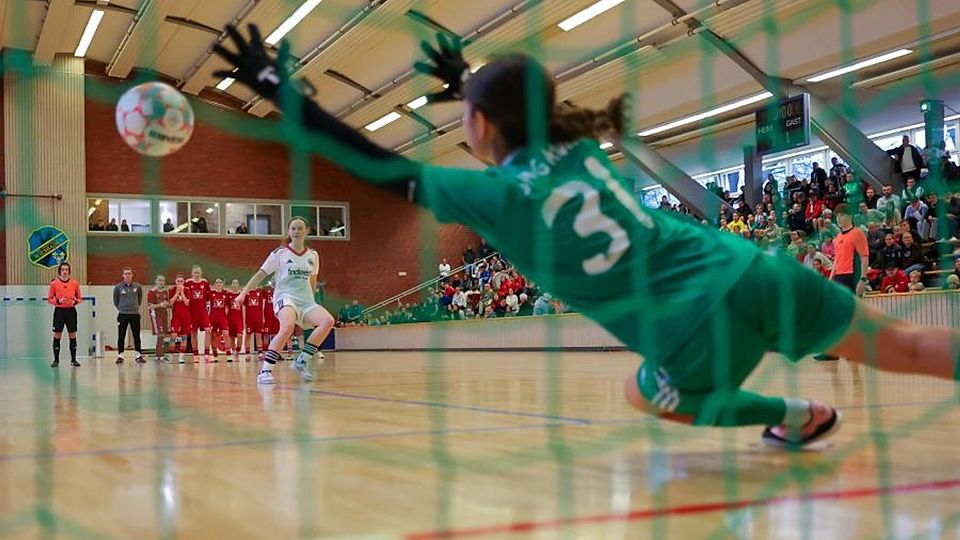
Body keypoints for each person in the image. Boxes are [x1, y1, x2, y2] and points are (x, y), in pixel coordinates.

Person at [215, 26, 960, 448]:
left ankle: (796, 416)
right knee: (915, 350)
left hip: (688, 329)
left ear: (475, 126)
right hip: (749, 266)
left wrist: (279, 89)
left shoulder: (490, 195)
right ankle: (805, 417)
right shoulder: (575, 144)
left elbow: (373, 163)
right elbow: (523, 107)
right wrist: (472, 79)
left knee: (649, 396)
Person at [234, 217, 335, 384]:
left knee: (327, 321)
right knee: (287, 326)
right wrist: (243, 293)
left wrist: (312, 303)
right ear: (289, 231)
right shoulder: (280, 253)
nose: (296, 231)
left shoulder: (313, 255)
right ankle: (265, 370)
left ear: (307, 231)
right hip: (285, 297)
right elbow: (261, 274)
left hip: (306, 300)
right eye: (293, 228)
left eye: (300, 228)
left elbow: (312, 279)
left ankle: (301, 360)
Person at [47, 262, 82, 367]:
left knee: (72, 334)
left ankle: (73, 360)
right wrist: (58, 301)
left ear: (69, 271)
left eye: (66, 269)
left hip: (71, 311)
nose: (65, 272)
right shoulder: (54, 284)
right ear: (59, 271)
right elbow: (49, 299)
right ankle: (56, 360)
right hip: (59, 312)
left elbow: (80, 298)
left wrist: (75, 302)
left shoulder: (75, 283)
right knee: (57, 334)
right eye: (63, 270)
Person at [113, 267, 144, 364]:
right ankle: (120, 355)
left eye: (129, 273)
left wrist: (134, 307)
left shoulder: (137, 286)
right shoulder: (118, 287)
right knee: (121, 335)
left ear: (132, 275)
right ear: (123, 275)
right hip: (123, 314)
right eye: (125, 273)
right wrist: (122, 308)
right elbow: (116, 301)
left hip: (134, 314)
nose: (127, 275)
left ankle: (138, 355)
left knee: (136, 335)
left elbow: (140, 299)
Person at [184, 265, 214, 359]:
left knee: (208, 330)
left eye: (198, 273)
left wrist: (209, 311)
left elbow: (209, 299)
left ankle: (206, 353)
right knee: (193, 332)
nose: (197, 274)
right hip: (192, 312)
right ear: (192, 273)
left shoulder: (205, 283)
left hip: (203, 311)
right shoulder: (188, 283)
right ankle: (195, 354)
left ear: (201, 273)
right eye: (195, 273)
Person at [208, 278, 234, 361]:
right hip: (212, 317)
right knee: (213, 335)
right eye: (217, 282)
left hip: (222, 318)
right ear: (215, 284)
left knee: (226, 334)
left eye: (220, 282)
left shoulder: (226, 294)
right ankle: (215, 354)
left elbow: (229, 306)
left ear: (223, 284)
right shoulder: (211, 293)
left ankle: (229, 354)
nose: (218, 284)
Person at [147, 274, 172, 362]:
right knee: (160, 334)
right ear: (156, 281)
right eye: (159, 280)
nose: (161, 282)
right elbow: (150, 306)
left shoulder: (165, 291)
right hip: (155, 315)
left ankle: (159, 355)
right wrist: (160, 305)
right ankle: (159, 356)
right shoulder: (152, 292)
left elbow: (168, 303)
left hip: (164, 314)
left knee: (163, 335)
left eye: (162, 280)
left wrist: (168, 304)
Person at [169, 274, 192, 364]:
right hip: (176, 317)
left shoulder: (187, 290)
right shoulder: (172, 289)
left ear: (184, 282)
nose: (180, 283)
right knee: (173, 335)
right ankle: (171, 356)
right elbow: (171, 302)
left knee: (184, 336)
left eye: (181, 281)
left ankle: (181, 357)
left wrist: (182, 292)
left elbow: (187, 303)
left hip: (185, 317)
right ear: (175, 282)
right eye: (178, 281)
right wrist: (177, 293)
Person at [243, 282, 265, 357]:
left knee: (258, 335)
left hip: (259, 319)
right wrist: (244, 320)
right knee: (248, 335)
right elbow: (244, 307)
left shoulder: (260, 293)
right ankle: (247, 353)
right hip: (249, 319)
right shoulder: (247, 294)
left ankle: (260, 352)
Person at [225, 279, 245, 358]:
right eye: (233, 283)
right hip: (230, 318)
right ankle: (233, 352)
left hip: (239, 319)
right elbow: (226, 307)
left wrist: (244, 320)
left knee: (240, 335)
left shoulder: (241, 295)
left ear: (238, 285)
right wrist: (225, 318)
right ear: (231, 285)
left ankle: (238, 349)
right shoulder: (228, 295)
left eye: (236, 283)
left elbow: (243, 307)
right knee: (232, 337)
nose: (235, 284)